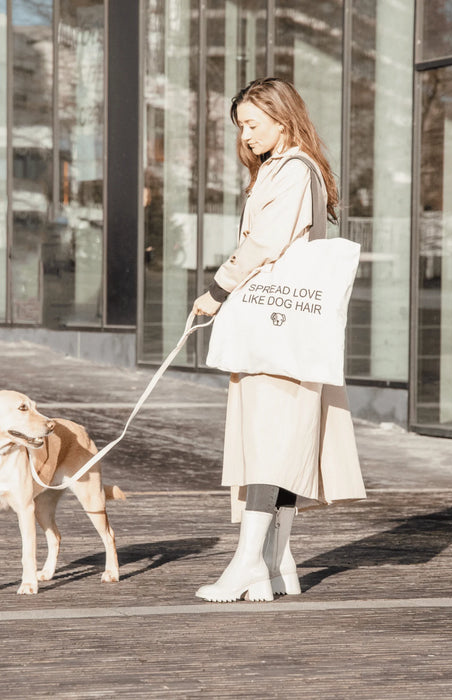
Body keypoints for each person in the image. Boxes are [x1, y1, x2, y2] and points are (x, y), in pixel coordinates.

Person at [191, 77, 366, 602]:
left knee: (268, 444)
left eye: (252, 124)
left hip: (277, 330)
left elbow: (266, 242)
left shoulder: (291, 170)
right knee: (282, 444)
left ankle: (249, 562)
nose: (244, 135)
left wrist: (218, 289)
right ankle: (276, 562)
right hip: (289, 330)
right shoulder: (285, 168)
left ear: (282, 119)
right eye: (240, 126)